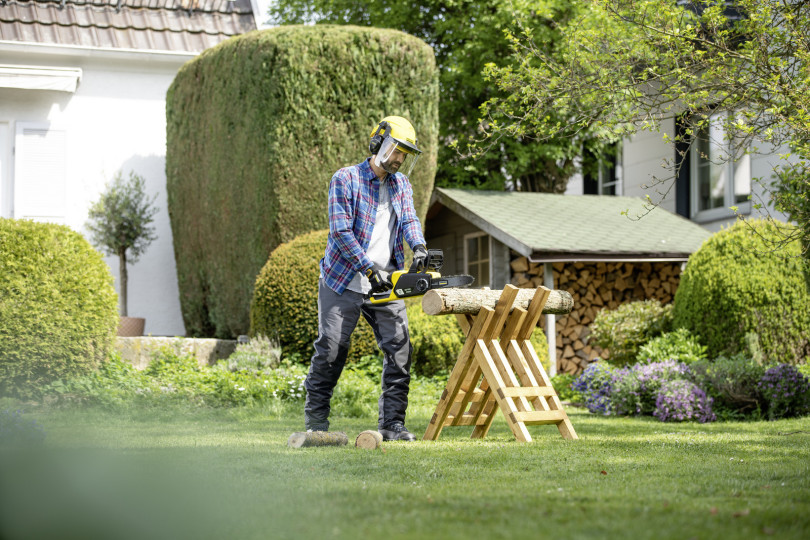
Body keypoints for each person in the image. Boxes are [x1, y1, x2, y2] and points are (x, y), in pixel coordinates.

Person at [303, 115, 429, 442]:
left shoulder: (402, 185)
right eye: (395, 150)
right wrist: (367, 268)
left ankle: (392, 425)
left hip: (385, 281)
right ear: (377, 143)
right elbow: (341, 232)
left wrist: (419, 247)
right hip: (343, 278)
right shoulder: (346, 179)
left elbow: (410, 221)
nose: (399, 158)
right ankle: (316, 425)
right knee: (332, 348)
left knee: (400, 349)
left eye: (405, 153)